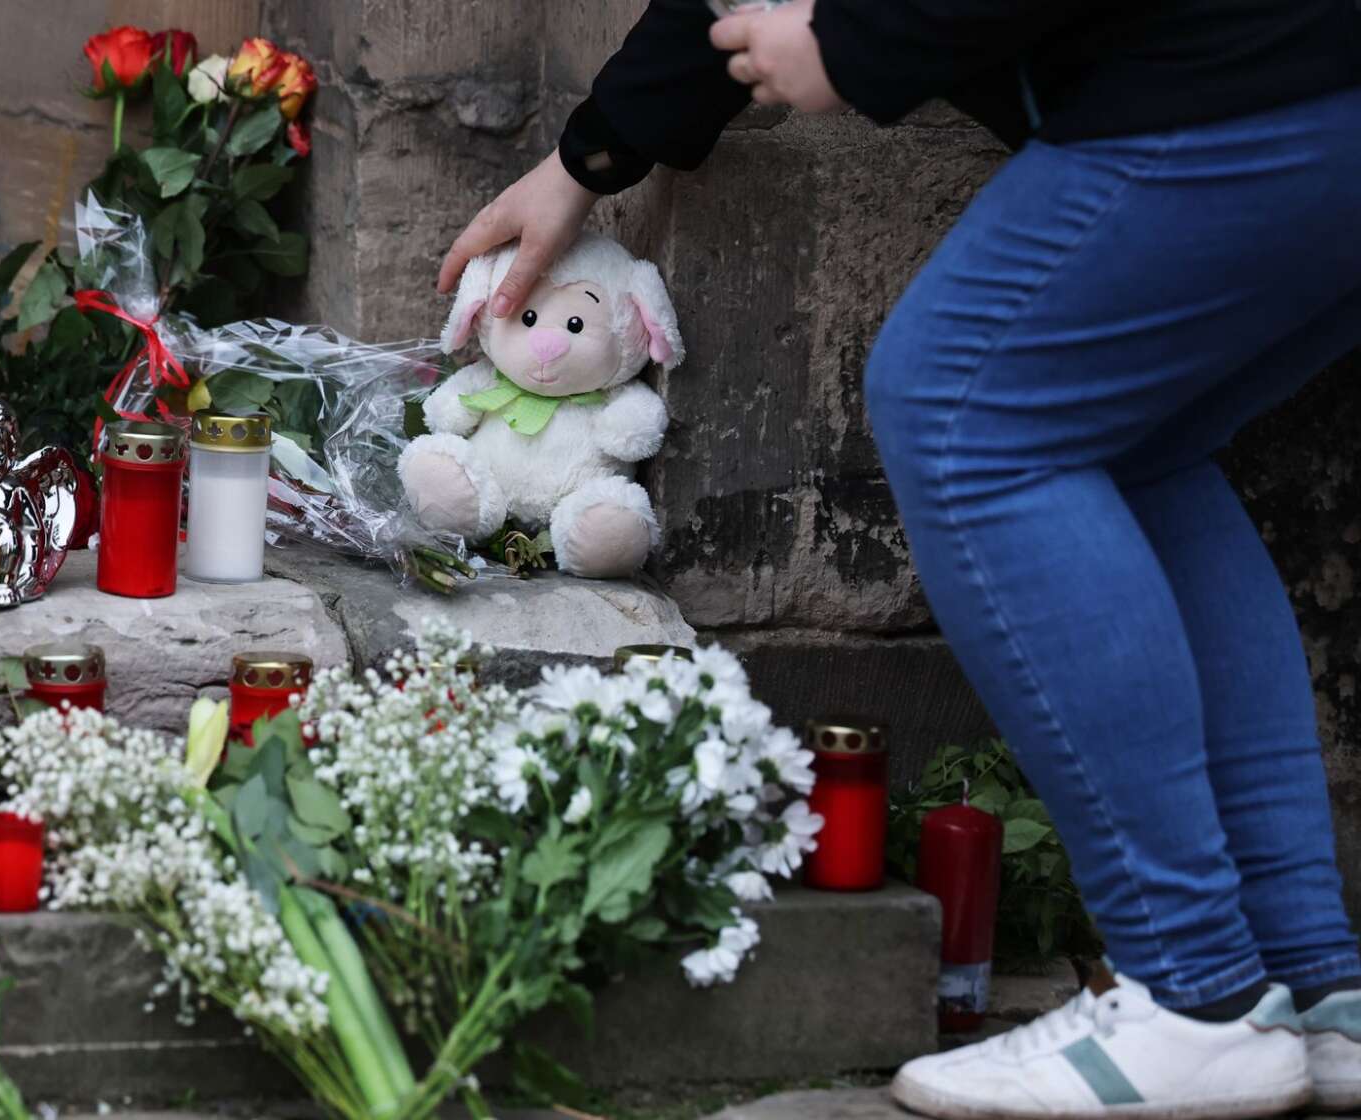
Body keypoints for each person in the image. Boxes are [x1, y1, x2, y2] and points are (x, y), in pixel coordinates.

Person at [438, 1, 1361, 1116]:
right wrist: (585, 157)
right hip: (1312, 87)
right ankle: (1314, 985)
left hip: (1245, 81)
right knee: (1147, 449)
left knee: (962, 406)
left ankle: (1191, 989)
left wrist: (858, 43)